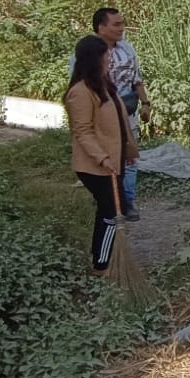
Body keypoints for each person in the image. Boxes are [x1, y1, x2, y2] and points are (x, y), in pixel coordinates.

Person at [65, 34, 137, 273]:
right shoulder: (80, 92)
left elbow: (120, 118)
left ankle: (105, 257)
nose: (110, 57)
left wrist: (128, 149)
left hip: (113, 160)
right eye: (105, 54)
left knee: (114, 209)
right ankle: (102, 264)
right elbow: (82, 132)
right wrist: (103, 158)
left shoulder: (104, 84)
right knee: (110, 213)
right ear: (93, 59)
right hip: (95, 166)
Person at [91, 7, 153, 221]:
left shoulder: (127, 49)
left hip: (128, 112)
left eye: (122, 23)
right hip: (101, 116)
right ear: (101, 27)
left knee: (130, 157)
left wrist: (145, 103)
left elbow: (137, 79)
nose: (121, 28)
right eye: (116, 24)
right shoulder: (89, 52)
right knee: (104, 158)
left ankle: (127, 202)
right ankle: (107, 202)